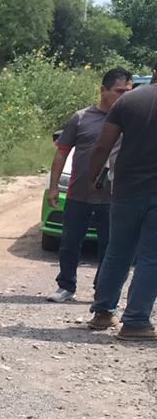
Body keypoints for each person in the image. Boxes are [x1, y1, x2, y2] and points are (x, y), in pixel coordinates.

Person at [44, 67, 133, 303]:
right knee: (69, 243)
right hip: (79, 194)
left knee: (109, 247)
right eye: (119, 91)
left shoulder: (131, 120)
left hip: (113, 197)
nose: (124, 96)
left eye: (128, 91)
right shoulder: (81, 118)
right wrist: (54, 187)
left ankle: (101, 289)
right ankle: (66, 286)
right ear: (103, 90)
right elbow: (62, 153)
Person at [85, 64, 157, 340]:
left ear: (154, 71)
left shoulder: (128, 101)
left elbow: (103, 145)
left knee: (118, 251)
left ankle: (103, 313)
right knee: (151, 256)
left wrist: (92, 176)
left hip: (126, 188)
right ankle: (136, 321)